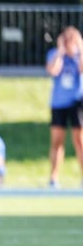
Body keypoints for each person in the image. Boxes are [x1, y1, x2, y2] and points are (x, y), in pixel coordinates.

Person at [46, 26, 83, 189]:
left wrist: (80, 49)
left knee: (80, 141)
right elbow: (53, 70)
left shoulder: (79, 56)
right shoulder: (55, 54)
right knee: (57, 141)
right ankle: (53, 178)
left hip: (77, 102)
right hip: (58, 103)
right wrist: (61, 52)